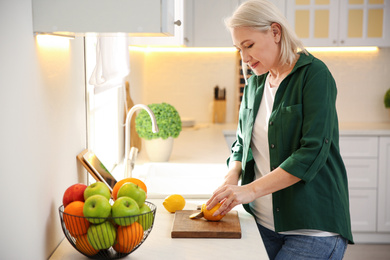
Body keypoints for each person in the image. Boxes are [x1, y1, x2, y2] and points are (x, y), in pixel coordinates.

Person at [206, 0, 354, 259]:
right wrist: (231, 180)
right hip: (261, 224)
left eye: (249, 45)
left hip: (312, 228)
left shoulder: (314, 75)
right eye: (239, 48)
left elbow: (312, 151)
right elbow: (241, 143)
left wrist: (248, 190)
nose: (244, 57)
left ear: (275, 32)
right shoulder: (254, 85)